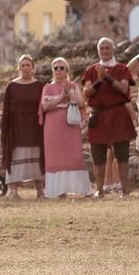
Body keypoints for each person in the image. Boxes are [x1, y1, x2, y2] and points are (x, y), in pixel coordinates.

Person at [83, 37, 136, 198]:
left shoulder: (122, 69)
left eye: (107, 48)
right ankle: (99, 190)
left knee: (122, 154)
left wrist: (107, 77)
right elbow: (86, 92)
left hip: (118, 113)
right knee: (97, 154)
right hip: (98, 114)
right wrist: (99, 80)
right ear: (98, 51)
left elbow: (123, 89)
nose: (105, 51)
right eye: (102, 49)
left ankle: (125, 190)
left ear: (113, 50)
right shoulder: (91, 70)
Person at [40, 57, 91, 198]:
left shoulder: (73, 85)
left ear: (67, 70)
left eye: (61, 67)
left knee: (74, 156)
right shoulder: (48, 87)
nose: (58, 70)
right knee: (55, 157)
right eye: (55, 68)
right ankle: (58, 191)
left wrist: (71, 94)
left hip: (70, 124)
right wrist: (62, 96)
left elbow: (81, 103)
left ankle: (82, 189)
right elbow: (45, 107)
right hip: (53, 126)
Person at [1, 54, 46, 199]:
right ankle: (13, 189)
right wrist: (5, 127)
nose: (25, 68)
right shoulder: (12, 86)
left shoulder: (40, 86)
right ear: (19, 68)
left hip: (34, 125)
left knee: (37, 153)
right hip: (16, 125)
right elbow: (6, 108)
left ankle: (40, 190)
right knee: (15, 154)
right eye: (23, 65)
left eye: (28, 65)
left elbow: (43, 106)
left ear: (33, 68)